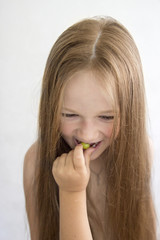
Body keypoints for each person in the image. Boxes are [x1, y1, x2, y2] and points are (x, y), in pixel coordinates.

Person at [23, 16, 156, 240]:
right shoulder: (36, 162)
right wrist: (71, 192)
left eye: (106, 116)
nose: (86, 134)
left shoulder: (142, 151)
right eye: (70, 114)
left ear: (131, 112)